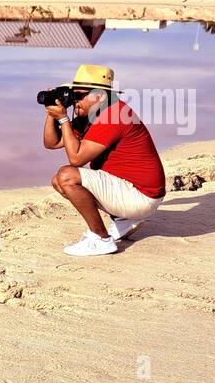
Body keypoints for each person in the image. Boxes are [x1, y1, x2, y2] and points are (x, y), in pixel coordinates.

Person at [43, 64, 166, 257]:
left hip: (142, 196)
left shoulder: (115, 115)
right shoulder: (94, 113)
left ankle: (101, 239)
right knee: (57, 180)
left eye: (80, 95)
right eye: (74, 94)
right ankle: (122, 221)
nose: (75, 100)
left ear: (99, 96)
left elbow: (76, 159)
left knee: (67, 176)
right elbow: (52, 143)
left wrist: (64, 120)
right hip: (134, 189)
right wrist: (52, 115)